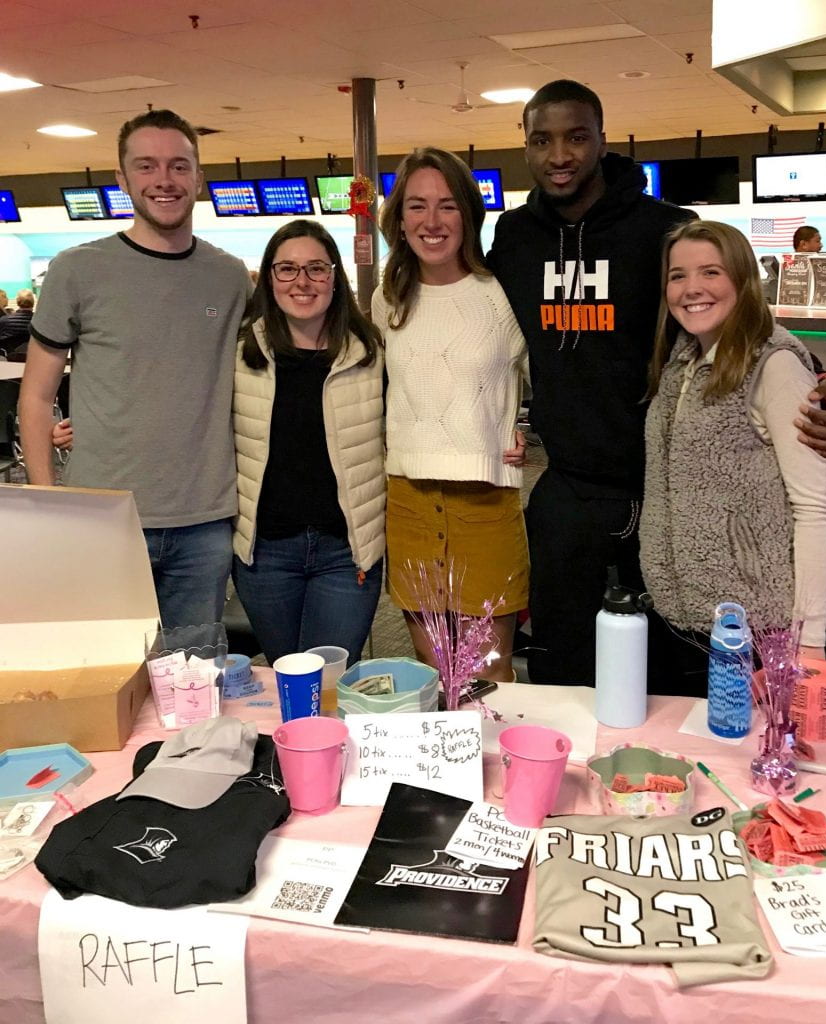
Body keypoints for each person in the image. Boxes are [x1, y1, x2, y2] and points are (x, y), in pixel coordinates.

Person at [488, 78, 826, 686]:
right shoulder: (514, 236)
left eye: (577, 137)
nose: (559, 156)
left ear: (603, 140)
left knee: (667, 682)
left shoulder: (662, 227)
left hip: (663, 495)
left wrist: (817, 375)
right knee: (567, 670)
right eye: (541, 140)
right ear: (524, 147)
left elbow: (732, 315)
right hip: (569, 492)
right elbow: (482, 333)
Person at [19, 108, 250, 630]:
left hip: (204, 521)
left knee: (194, 683)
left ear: (199, 177)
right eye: (146, 167)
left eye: (178, 166)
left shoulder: (230, 277)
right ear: (122, 179)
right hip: (104, 517)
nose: (164, 180)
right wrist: (49, 504)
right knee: (106, 679)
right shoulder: (77, 271)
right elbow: (35, 397)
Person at [640, 220, 826, 693]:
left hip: (757, 630)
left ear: (743, 280)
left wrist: (809, 642)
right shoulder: (681, 362)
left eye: (711, 272)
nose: (692, 289)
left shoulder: (776, 365)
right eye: (678, 275)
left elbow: (814, 508)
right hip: (684, 615)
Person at [374, 147, 529, 682]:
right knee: (437, 672)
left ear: (469, 213)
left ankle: (500, 768)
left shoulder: (503, 294)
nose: (432, 222)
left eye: (447, 206)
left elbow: (555, 385)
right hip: (410, 501)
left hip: (485, 501)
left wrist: (527, 429)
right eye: (417, 206)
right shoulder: (387, 299)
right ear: (399, 218)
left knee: (487, 675)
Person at [231, 220, 385, 666]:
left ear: (335, 277)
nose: (302, 282)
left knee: (331, 684)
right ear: (270, 277)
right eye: (287, 269)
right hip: (266, 554)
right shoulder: (240, 353)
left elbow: (414, 422)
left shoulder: (370, 353)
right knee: (288, 680)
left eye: (316, 268)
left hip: (346, 552)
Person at [0, 290, 34, 355]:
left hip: (9, 360)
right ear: (33, 302)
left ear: (17, 302)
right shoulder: (38, 322)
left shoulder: (4, 320)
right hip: (33, 358)